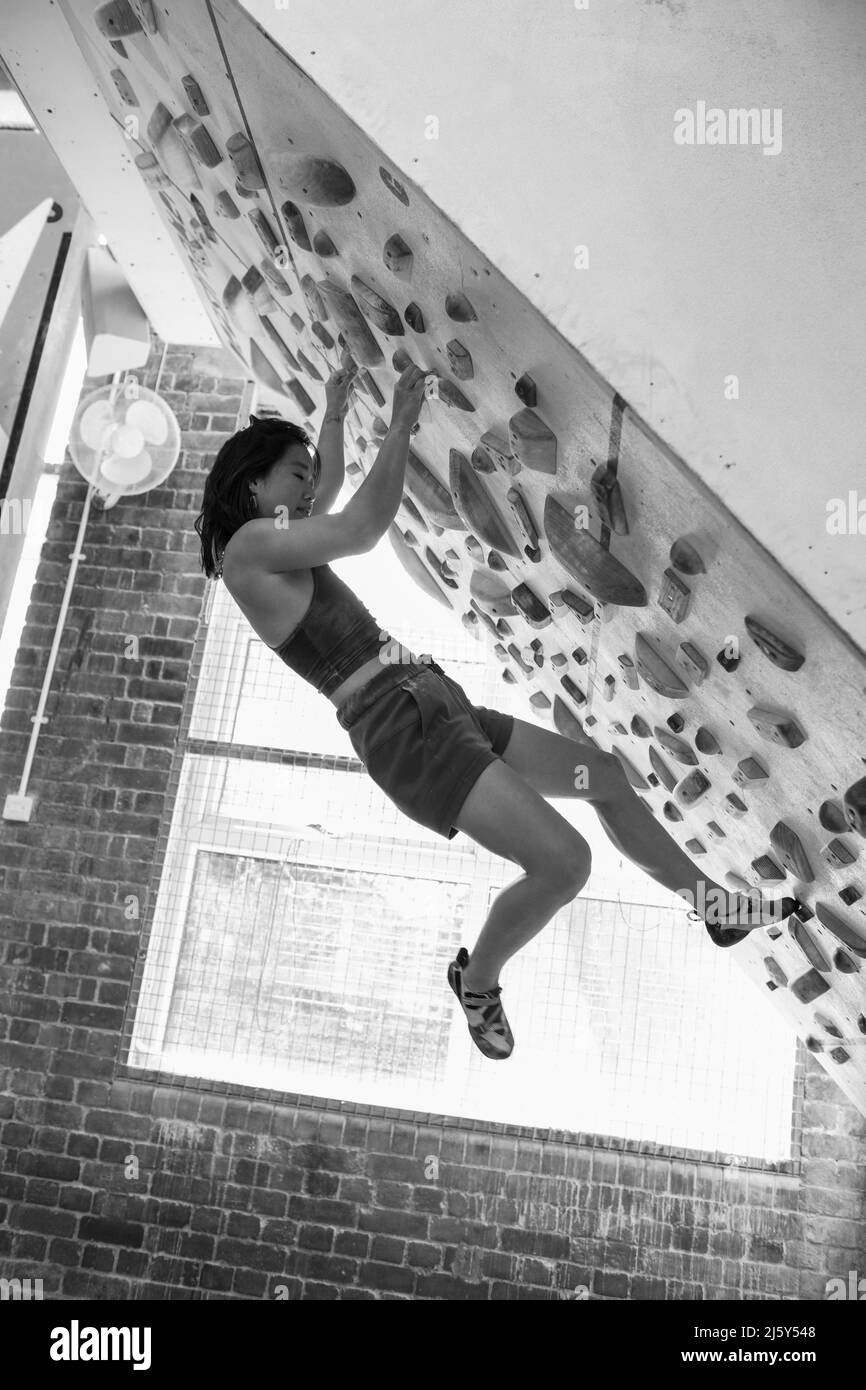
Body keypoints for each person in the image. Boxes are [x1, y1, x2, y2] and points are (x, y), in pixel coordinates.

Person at [194, 356, 800, 1061]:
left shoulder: (278, 539)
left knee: (601, 776)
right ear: (252, 483)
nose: (307, 488)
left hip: (431, 702)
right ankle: (477, 980)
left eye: (305, 476)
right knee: (564, 865)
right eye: (292, 475)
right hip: (405, 732)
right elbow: (358, 527)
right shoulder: (247, 551)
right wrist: (401, 425)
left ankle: (715, 907)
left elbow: (326, 487)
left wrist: (331, 411)